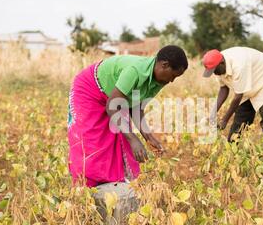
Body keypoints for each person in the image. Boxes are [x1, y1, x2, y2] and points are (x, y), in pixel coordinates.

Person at [68, 45, 188, 187]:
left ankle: (113, 185)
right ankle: (86, 186)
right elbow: (112, 107)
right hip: (89, 89)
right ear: (164, 65)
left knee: (119, 137)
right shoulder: (135, 71)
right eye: (173, 75)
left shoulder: (159, 81)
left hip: (114, 97)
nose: (172, 80)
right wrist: (133, 139)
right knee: (91, 140)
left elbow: (136, 108)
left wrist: (149, 138)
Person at [202, 47, 263, 148]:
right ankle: (231, 150)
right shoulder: (216, 65)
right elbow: (223, 89)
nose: (214, 73)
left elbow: (238, 97)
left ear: (222, 63)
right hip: (248, 81)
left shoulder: (239, 65)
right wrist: (212, 114)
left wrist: (225, 120)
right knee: (241, 117)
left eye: (214, 70)